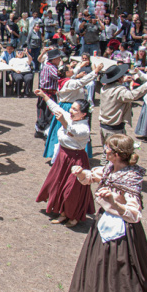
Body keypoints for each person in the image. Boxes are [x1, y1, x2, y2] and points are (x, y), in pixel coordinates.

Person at [69, 134, 147, 292]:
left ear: (118, 154)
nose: (105, 150)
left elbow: (135, 215)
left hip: (121, 233)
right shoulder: (110, 169)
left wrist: (114, 201)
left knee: (118, 275)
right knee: (98, 266)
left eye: (108, 148)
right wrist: (80, 173)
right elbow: (91, 178)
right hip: (103, 224)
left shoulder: (130, 179)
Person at [34, 90, 94, 227]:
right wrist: (44, 96)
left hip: (76, 160)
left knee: (72, 190)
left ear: (84, 114)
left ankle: (74, 216)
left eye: (75, 110)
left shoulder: (84, 128)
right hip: (63, 157)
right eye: (72, 108)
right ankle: (63, 213)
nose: (71, 111)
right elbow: (56, 108)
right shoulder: (69, 117)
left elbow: (73, 133)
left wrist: (63, 122)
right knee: (58, 184)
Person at [43, 61, 100, 160]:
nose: (72, 70)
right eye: (70, 69)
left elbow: (74, 77)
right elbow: (80, 82)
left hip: (68, 105)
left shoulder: (65, 80)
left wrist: (79, 66)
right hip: (71, 107)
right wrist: (95, 72)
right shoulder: (69, 83)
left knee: (63, 129)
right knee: (69, 130)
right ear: (66, 73)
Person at [98, 64, 147, 162]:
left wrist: (122, 82)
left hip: (104, 125)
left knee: (107, 150)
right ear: (119, 79)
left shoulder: (104, 88)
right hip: (114, 128)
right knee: (113, 153)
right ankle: (106, 173)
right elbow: (132, 95)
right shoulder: (119, 91)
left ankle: (106, 170)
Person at [35, 49, 61, 137]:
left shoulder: (46, 65)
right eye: (58, 59)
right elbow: (59, 77)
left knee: (42, 111)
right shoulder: (51, 68)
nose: (60, 60)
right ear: (54, 59)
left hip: (44, 92)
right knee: (49, 113)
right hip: (48, 93)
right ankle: (46, 131)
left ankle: (39, 129)